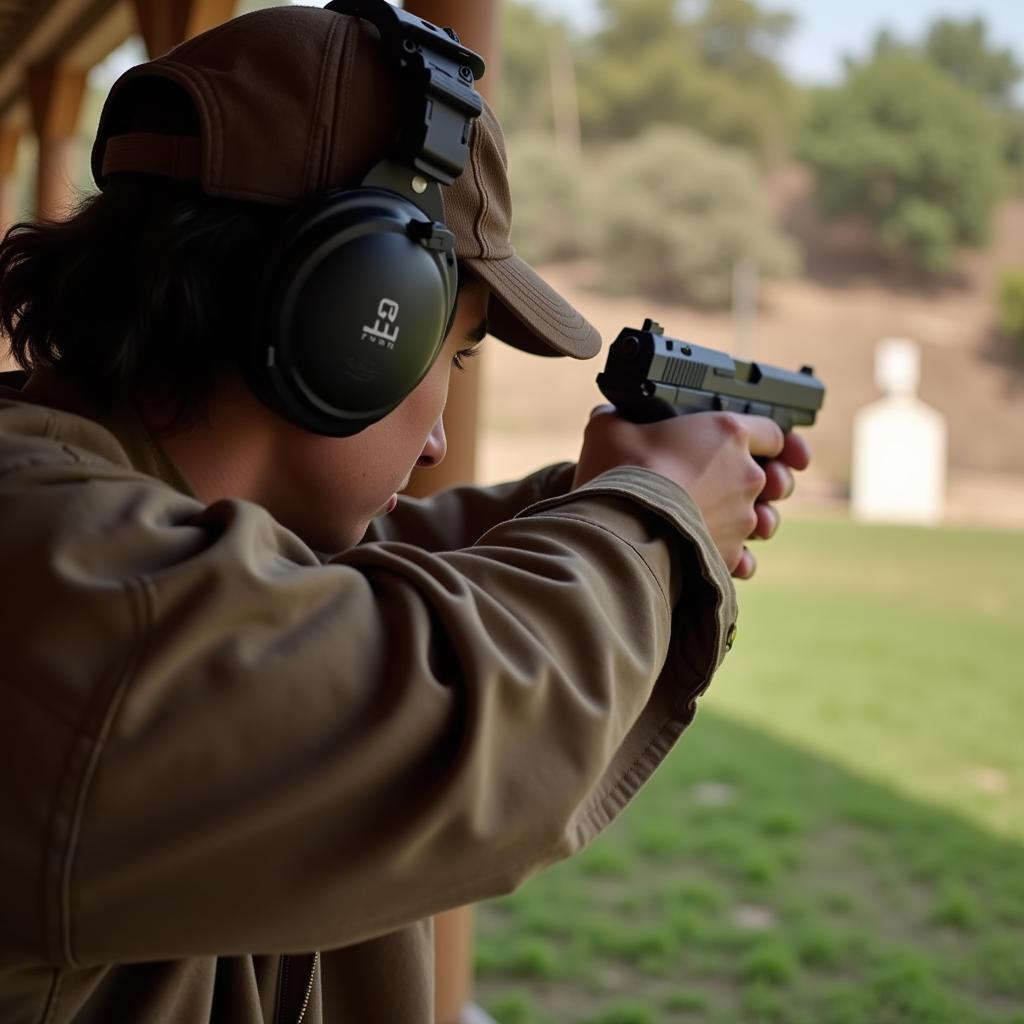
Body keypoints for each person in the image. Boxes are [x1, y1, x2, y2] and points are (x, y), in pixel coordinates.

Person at [0, 4, 809, 1022]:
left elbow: (332, 597)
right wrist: (652, 520)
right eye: (454, 352)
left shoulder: (102, 509)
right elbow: (442, 709)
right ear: (355, 321)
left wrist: (609, 497)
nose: (437, 436)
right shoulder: (50, 571)